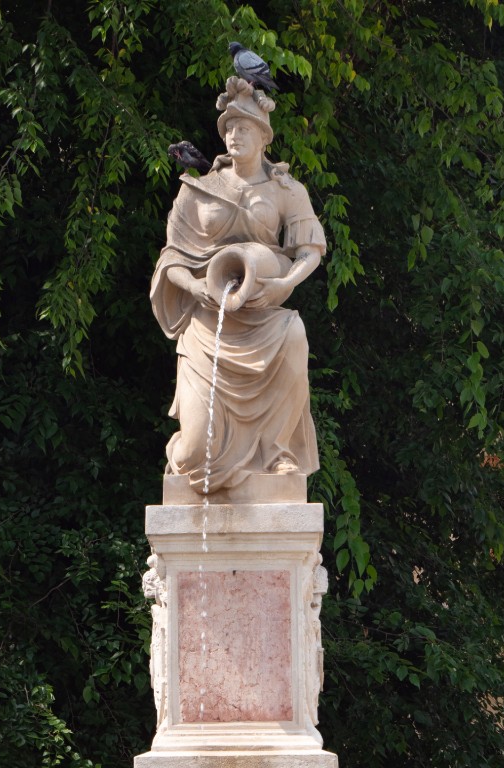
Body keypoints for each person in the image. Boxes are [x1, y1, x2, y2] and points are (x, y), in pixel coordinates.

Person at [151, 77, 327, 494]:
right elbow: (171, 260)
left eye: (244, 128)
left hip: (263, 315)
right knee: (193, 455)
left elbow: (310, 250)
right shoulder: (199, 189)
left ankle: (278, 450)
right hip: (208, 324)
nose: (234, 135)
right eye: (229, 128)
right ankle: (185, 449)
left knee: (295, 333)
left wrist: (284, 284)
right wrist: (195, 288)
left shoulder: (286, 189)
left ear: (263, 137)